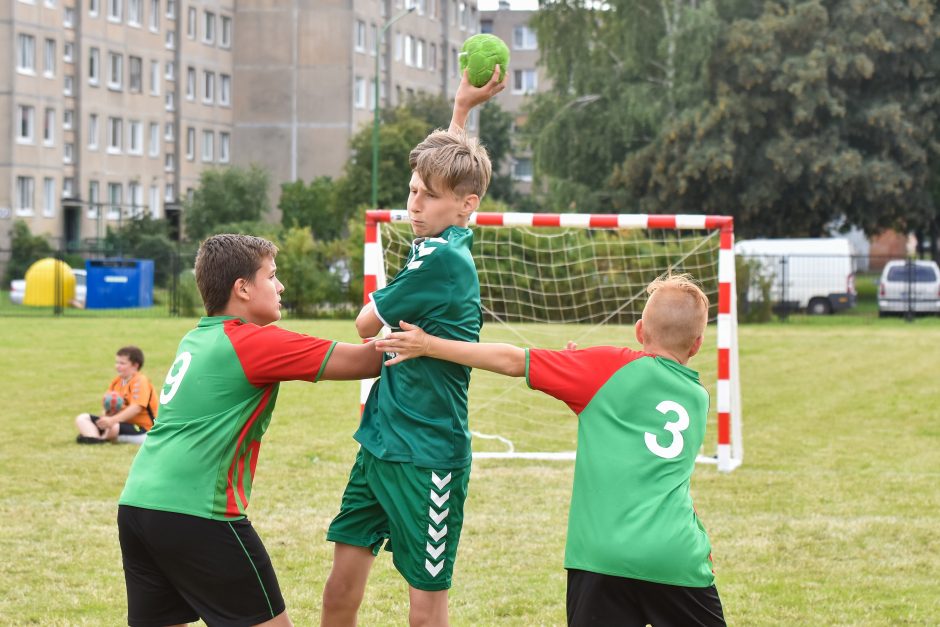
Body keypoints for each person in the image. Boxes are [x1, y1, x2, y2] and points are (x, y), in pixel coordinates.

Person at [375, 273, 727, 627]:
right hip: (678, 556)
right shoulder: (699, 398)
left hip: (601, 558)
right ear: (696, 345)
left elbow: (512, 360)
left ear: (639, 330)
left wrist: (428, 345)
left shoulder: (609, 367)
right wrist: (582, 369)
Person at [117, 234, 384, 627]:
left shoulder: (196, 337)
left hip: (137, 506)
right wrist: (422, 324)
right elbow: (367, 361)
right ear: (242, 288)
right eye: (272, 276)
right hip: (199, 514)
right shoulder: (252, 342)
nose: (281, 287)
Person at [320, 68, 505, 627]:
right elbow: (446, 170)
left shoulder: (442, 257)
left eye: (427, 197)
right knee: (341, 579)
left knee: (426, 605)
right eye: (412, 191)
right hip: (380, 443)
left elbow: (361, 323)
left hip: (427, 455)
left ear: (466, 206)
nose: (414, 204)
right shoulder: (442, 238)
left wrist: (390, 315)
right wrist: (460, 111)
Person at [75, 346, 158, 445]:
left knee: (114, 426)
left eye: (122, 363)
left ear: (135, 365)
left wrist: (112, 420)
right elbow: (107, 407)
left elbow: (136, 408)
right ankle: (96, 439)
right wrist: (106, 417)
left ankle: (96, 438)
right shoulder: (116, 382)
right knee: (82, 418)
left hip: (143, 429)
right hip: (119, 423)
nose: (117, 366)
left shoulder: (140, 381)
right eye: (117, 362)